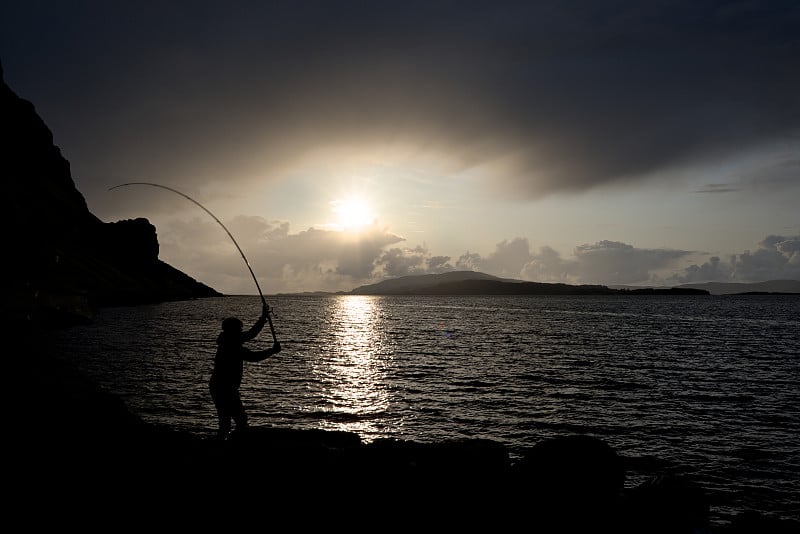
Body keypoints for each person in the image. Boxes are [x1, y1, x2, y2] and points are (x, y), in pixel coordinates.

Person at [209, 302, 281, 440]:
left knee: (227, 421)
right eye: (239, 329)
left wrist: (263, 318)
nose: (241, 332)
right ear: (233, 331)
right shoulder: (232, 347)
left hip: (219, 387)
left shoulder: (228, 339)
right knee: (238, 420)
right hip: (224, 389)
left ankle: (223, 445)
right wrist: (272, 351)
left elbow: (251, 334)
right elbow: (253, 356)